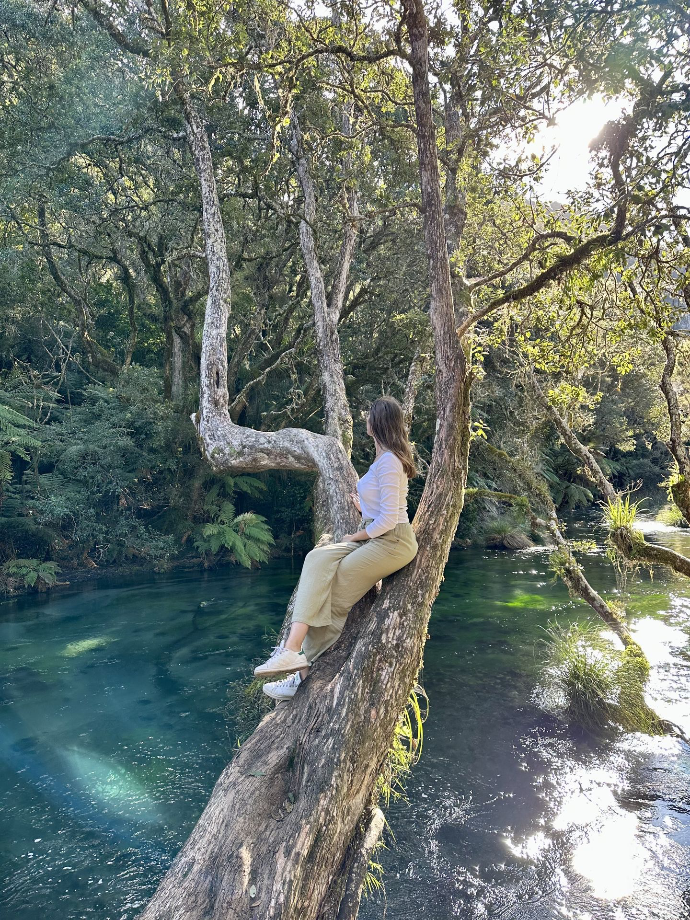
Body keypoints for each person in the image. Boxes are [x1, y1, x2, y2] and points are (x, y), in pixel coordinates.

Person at [254, 396, 419, 701]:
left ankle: (298, 666)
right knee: (317, 559)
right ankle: (292, 653)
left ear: (377, 423)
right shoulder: (383, 460)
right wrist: (363, 509)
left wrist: (354, 537)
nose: (365, 420)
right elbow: (382, 507)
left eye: (369, 415)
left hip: (394, 542)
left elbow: (390, 519)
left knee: (336, 585)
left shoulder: (391, 462)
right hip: (377, 535)